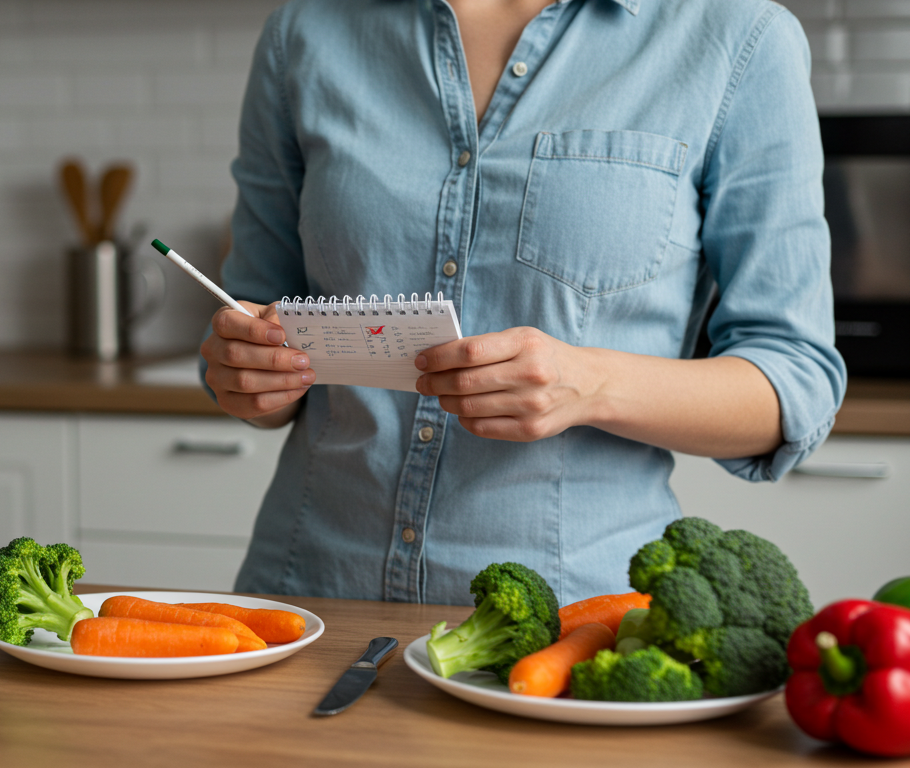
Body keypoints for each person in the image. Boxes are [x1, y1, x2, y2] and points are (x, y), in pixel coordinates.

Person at [199, 0, 845, 606]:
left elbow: (794, 378)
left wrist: (590, 385)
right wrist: (247, 374)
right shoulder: (305, 33)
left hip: (572, 629)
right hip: (309, 598)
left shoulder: (739, 38)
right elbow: (250, 312)